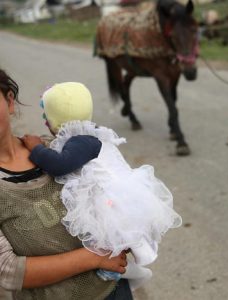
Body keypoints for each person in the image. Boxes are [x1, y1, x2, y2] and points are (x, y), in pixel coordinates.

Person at [21, 81, 182, 289]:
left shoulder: (81, 141)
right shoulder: (91, 135)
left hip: (109, 200)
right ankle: (129, 266)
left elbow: (59, 165)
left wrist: (36, 149)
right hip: (115, 196)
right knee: (118, 236)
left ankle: (125, 269)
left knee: (110, 236)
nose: (46, 124)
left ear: (55, 120)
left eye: (47, 118)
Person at [0, 68, 132, 300]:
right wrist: (96, 257)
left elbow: (112, 193)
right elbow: (8, 272)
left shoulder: (61, 149)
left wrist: (124, 231)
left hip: (113, 291)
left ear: (10, 101)